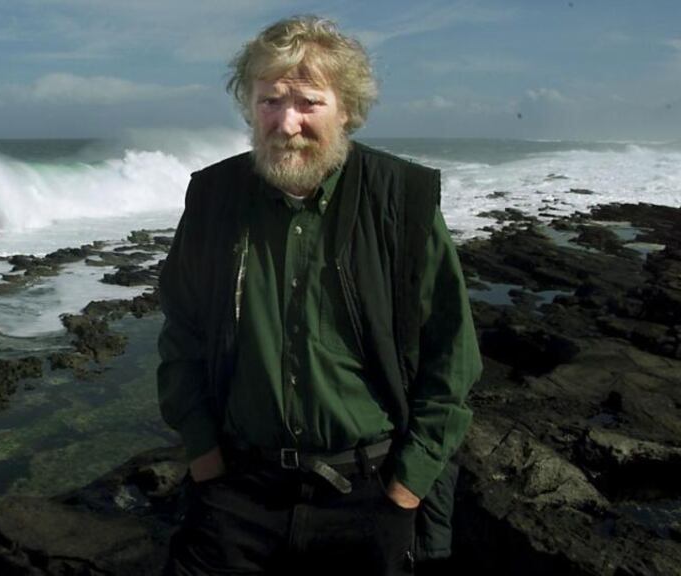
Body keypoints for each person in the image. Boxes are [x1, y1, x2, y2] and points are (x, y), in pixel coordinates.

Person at [157, 15, 483, 576]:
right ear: (249, 107)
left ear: (346, 108)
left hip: (369, 492)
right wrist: (204, 457)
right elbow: (181, 336)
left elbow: (451, 357)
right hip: (239, 491)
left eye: (308, 102)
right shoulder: (213, 198)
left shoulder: (402, 201)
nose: (287, 123)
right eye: (270, 101)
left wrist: (406, 489)